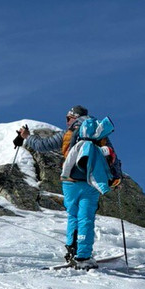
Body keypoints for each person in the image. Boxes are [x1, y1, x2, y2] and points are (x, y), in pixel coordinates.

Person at [16, 105, 122, 269]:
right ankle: (84, 256)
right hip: (90, 181)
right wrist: (117, 178)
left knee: (73, 216)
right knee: (86, 217)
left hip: (69, 180)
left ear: (74, 117)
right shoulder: (99, 132)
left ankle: (72, 251)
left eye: (68, 118)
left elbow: (42, 145)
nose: (66, 122)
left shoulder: (67, 133)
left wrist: (27, 136)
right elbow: (112, 157)